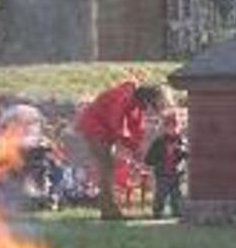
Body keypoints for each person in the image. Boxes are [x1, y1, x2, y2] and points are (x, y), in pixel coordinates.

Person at [74, 80, 165, 220]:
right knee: (106, 166)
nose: (151, 109)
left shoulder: (134, 103)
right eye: (152, 104)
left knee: (108, 167)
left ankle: (109, 209)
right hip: (94, 126)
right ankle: (108, 210)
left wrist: (136, 148)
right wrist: (133, 147)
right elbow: (116, 126)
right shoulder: (122, 98)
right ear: (146, 100)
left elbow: (135, 128)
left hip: (104, 129)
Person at [144, 110, 189, 219]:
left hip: (177, 174)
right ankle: (157, 215)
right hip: (162, 174)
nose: (172, 129)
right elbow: (148, 159)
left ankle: (178, 215)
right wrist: (157, 160)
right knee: (160, 196)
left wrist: (181, 151)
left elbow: (187, 155)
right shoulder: (159, 142)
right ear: (165, 127)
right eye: (169, 126)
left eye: (175, 126)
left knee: (177, 197)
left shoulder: (182, 141)